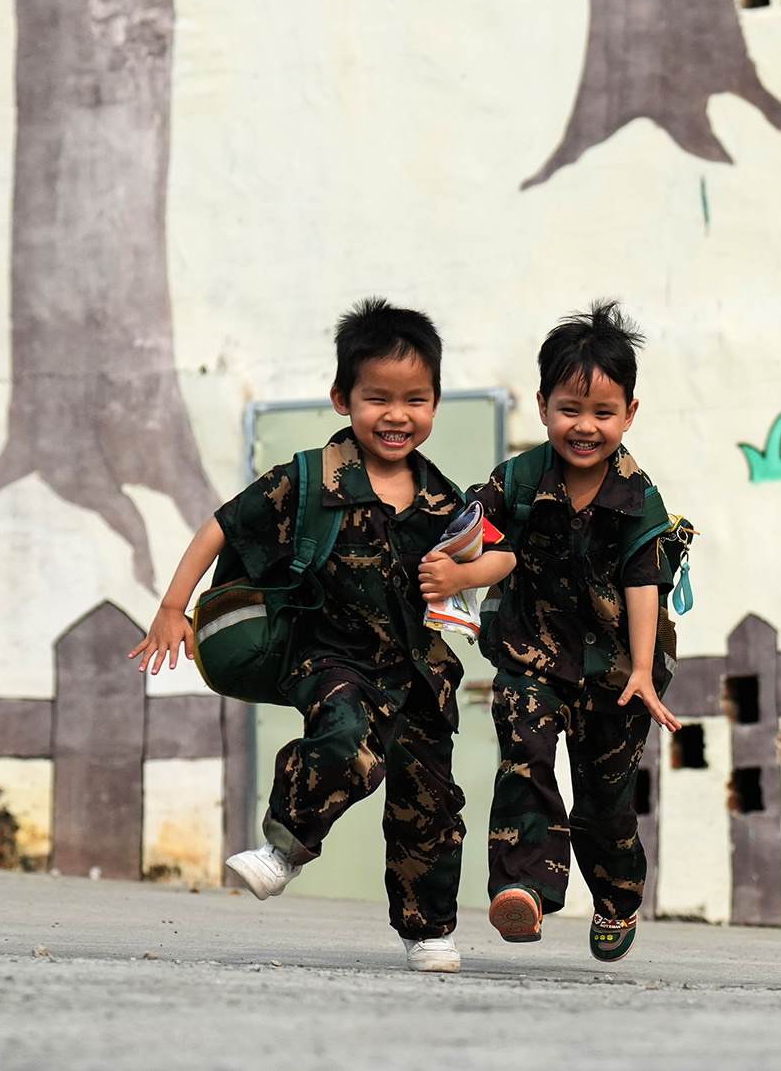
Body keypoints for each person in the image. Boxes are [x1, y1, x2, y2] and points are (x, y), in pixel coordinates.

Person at [130, 299, 470, 974]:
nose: (396, 415)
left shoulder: (444, 501)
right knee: (344, 739)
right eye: (377, 398)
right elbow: (222, 525)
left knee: (429, 805)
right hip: (329, 654)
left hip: (418, 673)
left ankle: (427, 930)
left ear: (435, 403)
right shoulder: (309, 480)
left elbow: (477, 574)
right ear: (342, 397)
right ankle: (284, 847)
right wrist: (174, 606)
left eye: (416, 399)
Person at [423, 300, 687, 962]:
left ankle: (618, 895)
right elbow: (480, 540)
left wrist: (642, 671)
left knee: (605, 803)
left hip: (617, 669)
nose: (585, 426)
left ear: (629, 413)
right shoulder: (517, 479)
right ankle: (525, 889)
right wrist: (453, 570)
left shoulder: (637, 497)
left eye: (603, 413)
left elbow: (643, 586)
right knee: (525, 758)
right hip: (530, 655)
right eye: (570, 409)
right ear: (543, 406)